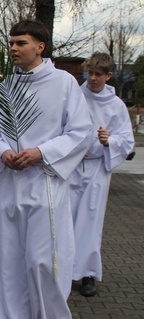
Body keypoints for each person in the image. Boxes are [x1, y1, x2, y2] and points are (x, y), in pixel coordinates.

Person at [0, 20, 93, 318]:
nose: (13, 48)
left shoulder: (64, 83)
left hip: (45, 185)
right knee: (7, 261)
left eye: (21, 42)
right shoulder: (4, 89)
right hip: (10, 186)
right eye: (11, 43)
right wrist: (2, 152)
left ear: (40, 46)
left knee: (42, 262)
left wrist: (41, 152)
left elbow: (82, 132)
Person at [70, 52, 135, 297]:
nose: (93, 79)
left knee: (90, 221)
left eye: (98, 74)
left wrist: (109, 141)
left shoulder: (116, 105)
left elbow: (127, 141)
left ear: (108, 76)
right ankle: (64, 270)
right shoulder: (75, 95)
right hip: (72, 166)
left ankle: (87, 273)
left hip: (97, 169)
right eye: (90, 73)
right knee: (67, 218)